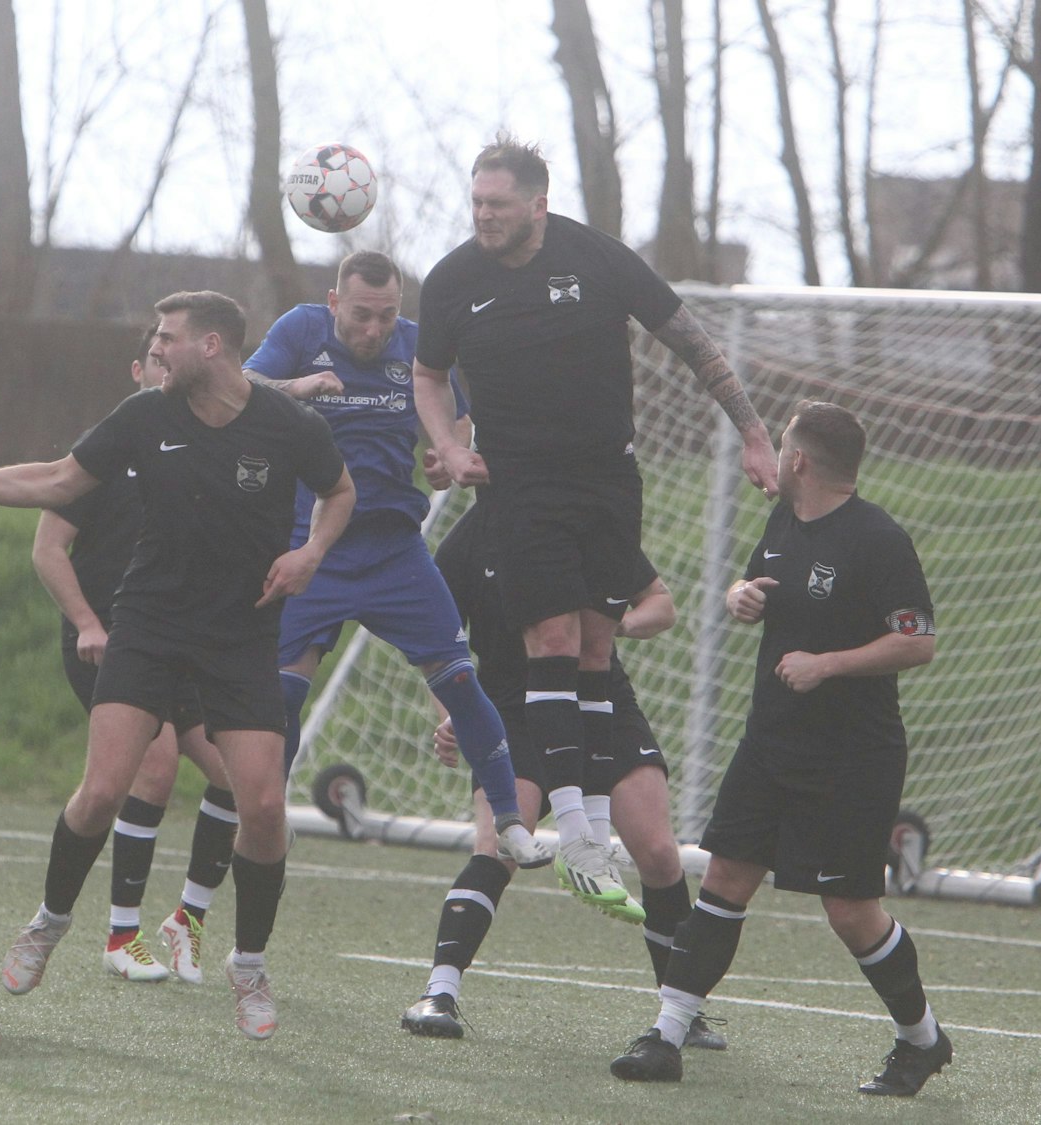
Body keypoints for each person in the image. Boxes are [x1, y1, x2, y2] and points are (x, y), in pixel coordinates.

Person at [0, 290, 354, 1040]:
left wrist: (311, 552)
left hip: (240, 637)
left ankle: (249, 965)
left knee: (263, 807)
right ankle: (50, 920)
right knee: (102, 792)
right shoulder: (143, 417)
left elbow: (340, 491)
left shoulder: (288, 424)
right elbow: (58, 479)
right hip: (150, 627)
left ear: (212, 346)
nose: (155, 348)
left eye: (168, 336)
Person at [413, 134, 778, 916]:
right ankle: (578, 837)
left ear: (538, 205)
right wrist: (449, 442)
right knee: (552, 638)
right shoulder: (450, 280)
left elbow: (692, 343)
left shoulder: (599, 259)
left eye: (499, 204)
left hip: (609, 480)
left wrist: (752, 431)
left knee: (595, 647)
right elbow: (428, 373)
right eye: (477, 202)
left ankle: (598, 833)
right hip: (519, 488)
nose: (484, 215)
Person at [607, 402, 949, 1095]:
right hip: (770, 742)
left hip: (852, 755)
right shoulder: (784, 522)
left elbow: (918, 641)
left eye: (782, 447)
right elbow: (756, 581)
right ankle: (666, 1035)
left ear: (798, 460)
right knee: (726, 876)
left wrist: (827, 664)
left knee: (850, 911)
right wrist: (740, 595)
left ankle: (921, 1039)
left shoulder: (878, 538)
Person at [246, 250, 547, 873]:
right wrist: (297, 387)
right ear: (335, 302)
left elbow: (459, 418)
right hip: (313, 548)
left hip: (394, 551)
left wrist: (446, 453)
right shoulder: (301, 331)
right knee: (281, 695)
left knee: (460, 680)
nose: (374, 329)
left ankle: (510, 821)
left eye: (386, 316)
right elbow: (240, 386)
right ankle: (268, 815)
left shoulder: (415, 346)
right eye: (361, 315)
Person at [397, 503, 723, 1052]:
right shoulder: (467, 543)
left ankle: (681, 1012)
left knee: (658, 851)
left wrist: (614, 625)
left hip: (598, 702)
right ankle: (438, 994)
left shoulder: (581, 517)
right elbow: (435, 646)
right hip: (509, 709)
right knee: (498, 844)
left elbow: (660, 603)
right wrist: (453, 715)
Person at [31, 326, 237, 984]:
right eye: (154, 358)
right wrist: (87, 623)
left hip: (178, 641)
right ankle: (121, 935)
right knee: (153, 767)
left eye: (173, 357)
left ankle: (187, 919)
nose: (164, 368)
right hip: (108, 643)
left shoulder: (205, 450)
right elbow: (47, 549)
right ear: (136, 372)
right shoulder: (104, 452)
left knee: (239, 774)